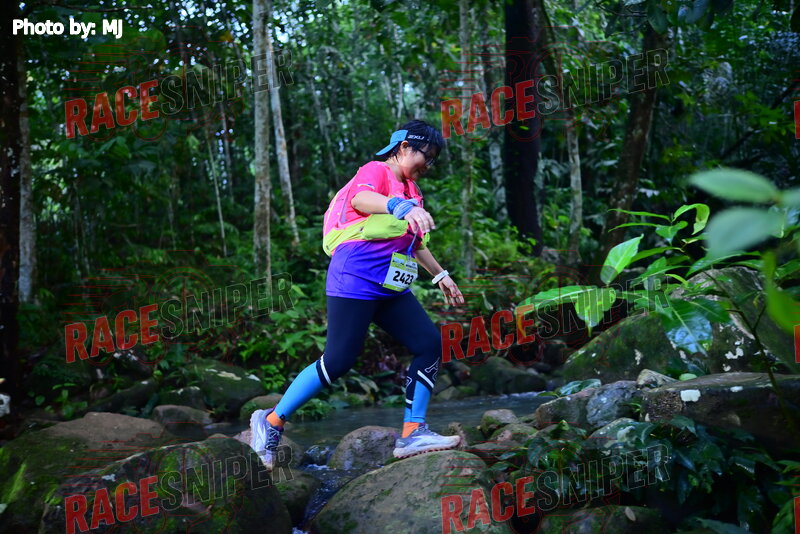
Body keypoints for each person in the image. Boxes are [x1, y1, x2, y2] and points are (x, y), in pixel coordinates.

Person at [250, 119, 465, 469]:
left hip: (390, 286)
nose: (428, 164)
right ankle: (271, 421)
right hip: (355, 277)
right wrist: (399, 206)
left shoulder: (412, 191)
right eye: (425, 155)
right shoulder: (377, 171)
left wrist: (440, 274)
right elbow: (361, 199)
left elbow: (414, 242)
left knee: (429, 344)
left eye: (433, 159)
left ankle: (413, 432)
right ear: (404, 147)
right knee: (338, 360)